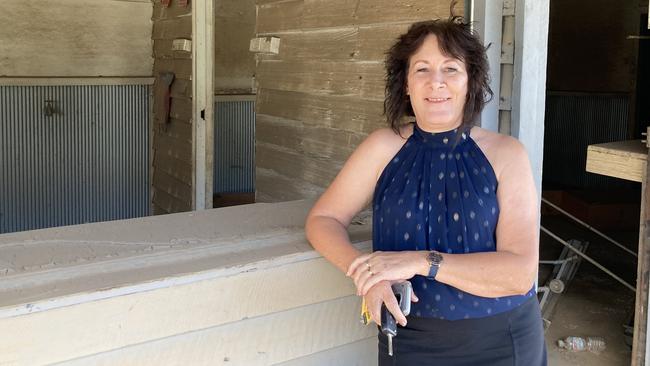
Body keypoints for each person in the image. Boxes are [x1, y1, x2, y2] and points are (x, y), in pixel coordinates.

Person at [304, 16, 547, 366]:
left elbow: (519, 273)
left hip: (503, 339)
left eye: (451, 69)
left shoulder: (506, 153)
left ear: (470, 82)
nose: (437, 82)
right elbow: (323, 219)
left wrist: (421, 261)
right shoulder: (382, 147)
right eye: (422, 69)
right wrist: (366, 275)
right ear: (405, 83)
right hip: (409, 338)